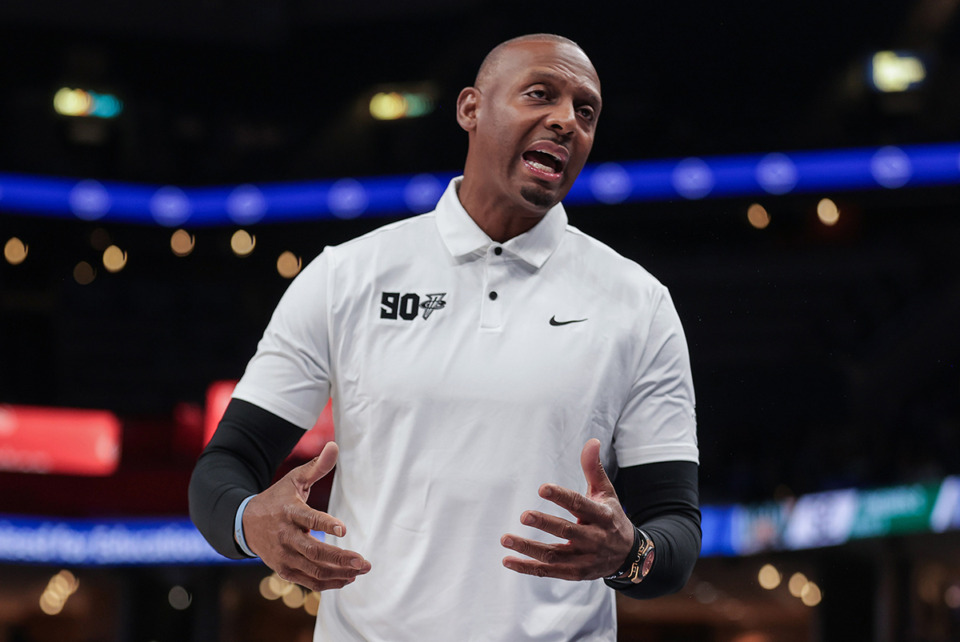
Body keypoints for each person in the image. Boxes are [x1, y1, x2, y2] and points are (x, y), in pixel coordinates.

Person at [190, 33, 701, 641]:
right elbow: (223, 467)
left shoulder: (638, 303)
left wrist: (629, 553)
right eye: (541, 94)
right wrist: (251, 523)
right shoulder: (345, 276)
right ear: (471, 109)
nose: (566, 121)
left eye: (585, 111)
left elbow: (675, 532)